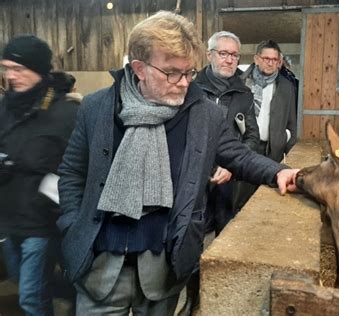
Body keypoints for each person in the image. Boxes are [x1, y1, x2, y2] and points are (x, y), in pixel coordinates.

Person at [57, 11, 299, 315]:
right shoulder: (96, 109)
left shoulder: (203, 115)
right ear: (139, 68)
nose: (184, 83)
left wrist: (279, 171)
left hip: (162, 264)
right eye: (172, 73)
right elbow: (71, 173)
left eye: (190, 72)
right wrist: (70, 223)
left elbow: (239, 156)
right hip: (101, 262)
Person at [0, 34, 79, 316]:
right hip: (9, 220)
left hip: (43, 223)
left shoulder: (66, 114)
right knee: (26, 284)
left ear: (38, 70)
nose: (11, 76)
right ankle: (69, 295)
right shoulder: (4, 109)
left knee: (30, 298)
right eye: (7, 68)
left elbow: (78, 166)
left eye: (19, 69)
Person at [195, 31, 259, 236]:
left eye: (234, 55)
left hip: (227, 178)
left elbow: (251, 136)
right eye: (223, 53)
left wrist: (232, 164)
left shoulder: (244, 94)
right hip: (195, 176)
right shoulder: (191, 89)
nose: (229, 60)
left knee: (225, 232)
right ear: (209, 55)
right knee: (193, 232)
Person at [236, 40, 297, 210]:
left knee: (266, 196)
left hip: (271, 149)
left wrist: (287, 143)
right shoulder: (241, 82)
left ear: (279, 62)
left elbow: (291, 120)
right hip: (244, 147)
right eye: (266, 58)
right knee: (240, 196)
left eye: (274, 60)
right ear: (256, 59)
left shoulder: (286, 86)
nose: (270, 63)